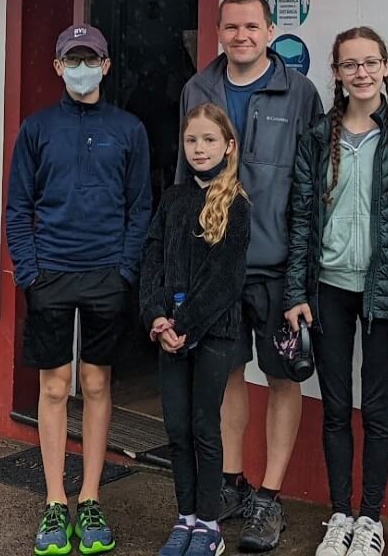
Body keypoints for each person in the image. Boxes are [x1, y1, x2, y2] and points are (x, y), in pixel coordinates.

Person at [177, 0, 324, 552]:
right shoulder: (198, 89)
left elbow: (309, 191)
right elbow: (183, 174)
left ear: (268, 31)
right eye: (231, 27)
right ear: (218, 31)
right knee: (228, 372)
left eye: (251, 27)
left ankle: (270, 495)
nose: (241, 36)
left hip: (275, 265)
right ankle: (234, 482)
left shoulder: (300, 92)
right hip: (217, 262)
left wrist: (300, 276)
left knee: (284, 377)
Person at [283, 27, 388, 556]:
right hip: (326, 290)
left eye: (371, 62)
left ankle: (370, 519)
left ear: (386, 67)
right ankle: (340, 515)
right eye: (350, 64)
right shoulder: (316, 139)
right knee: (333, 408)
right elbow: (300, 221)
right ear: (337, 73)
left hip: (384, 297)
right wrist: (294, 293)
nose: (362, 73)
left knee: (375, 411)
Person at [6, 23, 153, 556]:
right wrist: (29, 270)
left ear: (107, 66)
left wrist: (125, 270)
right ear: (58, 67)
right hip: (50, 273)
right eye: (72, 59)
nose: (82, 68)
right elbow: (18, 207)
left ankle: (90, 496)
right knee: (52, 385)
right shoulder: (37, 128)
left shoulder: (129, 129)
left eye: (90, 59)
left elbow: (141, 207)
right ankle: (53, 499)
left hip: (105, 276)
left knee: (95, 383)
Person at [139, 103, 253, 556]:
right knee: (177, 427)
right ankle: (184, 517)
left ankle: (209, 524)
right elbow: (151, 259)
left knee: (206, 427)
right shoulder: (173, 199)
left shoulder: (236, 207)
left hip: (213, 335)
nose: (199, 149)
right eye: (192, 141)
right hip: (169, 333)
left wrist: (184, 325)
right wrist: (155, 316)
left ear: (227, 146)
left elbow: (225, 280)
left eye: (209, 140)